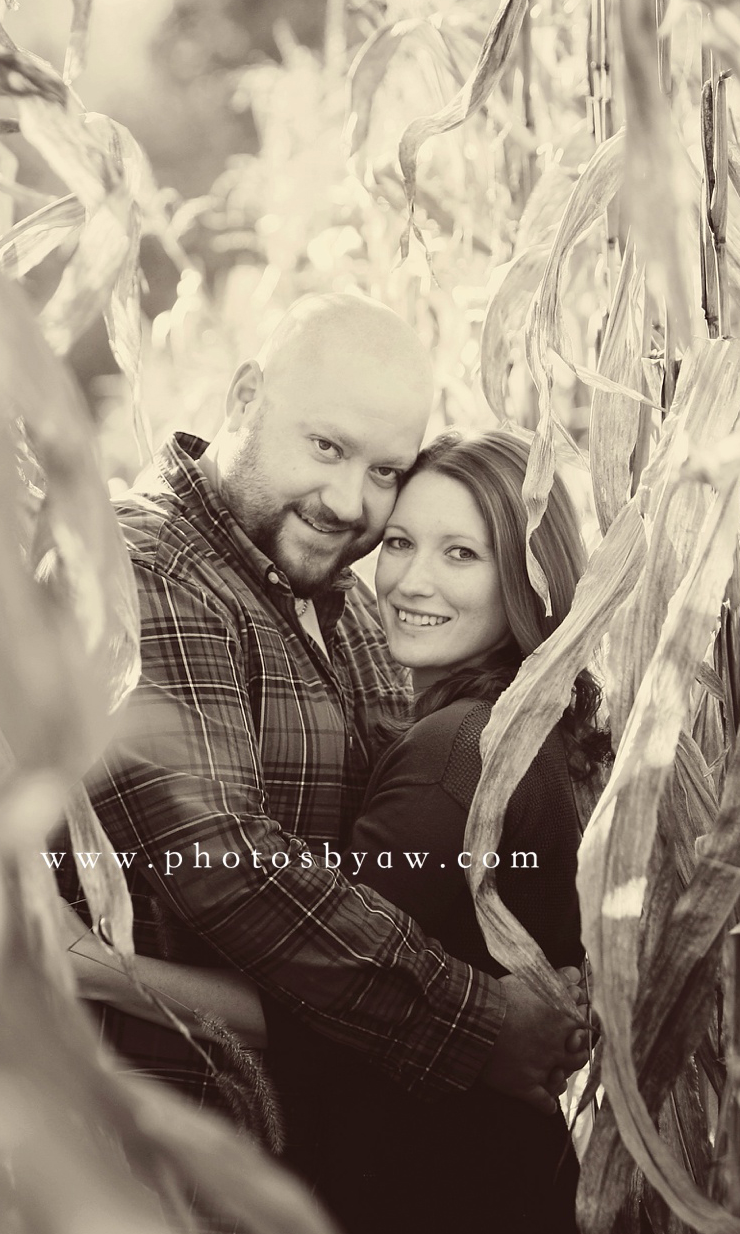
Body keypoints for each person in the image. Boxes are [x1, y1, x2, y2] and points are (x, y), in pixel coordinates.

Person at [57, 295, 588, 1173]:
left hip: (324, 1159)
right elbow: (227, 867)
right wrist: (479, 1021)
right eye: (327, 447)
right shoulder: (143, 569)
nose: (351, 502)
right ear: (242, 398)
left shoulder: (339, 605)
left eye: (386, 471)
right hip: (162, 1150)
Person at [270, 428, 605, 1234]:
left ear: (531, 578)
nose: (411, 581)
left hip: (430, 1191)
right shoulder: (525, 729)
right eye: (399, 542)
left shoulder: (456, 756)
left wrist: (99, 972)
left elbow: (328, 1003)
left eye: (462, 553)